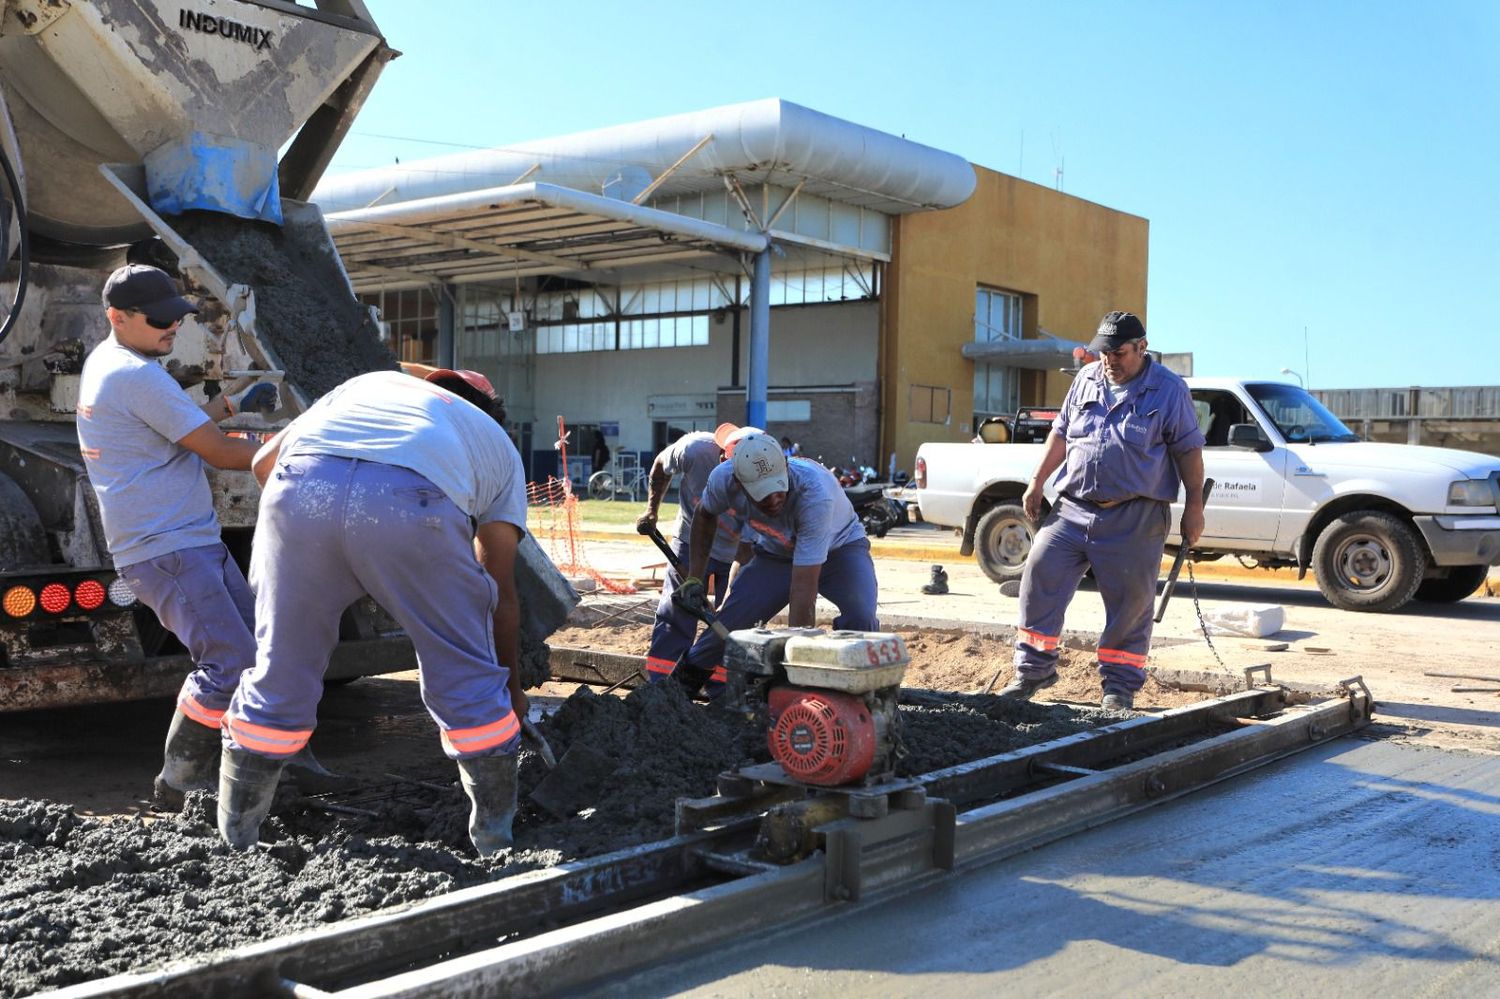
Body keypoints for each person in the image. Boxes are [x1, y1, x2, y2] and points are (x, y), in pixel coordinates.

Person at [217, 367, 529, 857]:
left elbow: (262, 462)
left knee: (280, 667)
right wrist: (510, 690)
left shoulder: (366, 384)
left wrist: (319, 548)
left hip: (300, 489)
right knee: (463, 672)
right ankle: (495, 842)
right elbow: (499, 590)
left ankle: (237, 839)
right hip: (412, 503)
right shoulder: (492, 441)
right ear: (488, 410)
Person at [76, 263, 281, 809]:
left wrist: (231, 406)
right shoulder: (133, 375)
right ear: (116, 317)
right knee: (230, 662)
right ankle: (179, 781)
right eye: (160, 320)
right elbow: (217, 451)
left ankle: (265, 768)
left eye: (176, 318)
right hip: (168, 547)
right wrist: (305, 444)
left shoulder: (112, 362)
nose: (172, 329)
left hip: (184, 540)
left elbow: (175, 427)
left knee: (257, 656)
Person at [995, 311, 1206, 711]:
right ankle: (1033, 669)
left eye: (1119, 353)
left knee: (1130, 603)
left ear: (1142, 348)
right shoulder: (1086, 380)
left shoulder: (1168, 389)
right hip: (1073, 508)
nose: (1110, 360)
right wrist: (1037, 482)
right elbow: (1060, 433)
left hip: (1136, 515)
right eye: (1104, 352)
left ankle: (1119, 687)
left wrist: (1194, 505)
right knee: (1040, 572)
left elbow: (1188, 449)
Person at [672, 432, 878, 695]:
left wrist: (796, 673)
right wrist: (695, 578)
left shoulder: (814, 493)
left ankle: (858, 698)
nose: (773, 500)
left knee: (861, 619)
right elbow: (705, 515)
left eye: (778, 488)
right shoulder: (723, 478)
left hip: (841, 549)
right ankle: (674, 694)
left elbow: (803, 592)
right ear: (739, 483)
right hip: (776, 555)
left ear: (786, 468)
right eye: (762, 494)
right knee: (727, 628)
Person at [634, 422, 752, 685]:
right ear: (722, 455)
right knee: (676, 612)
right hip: (689, 540)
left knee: (731, 621)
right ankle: (662, 684)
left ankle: (721, 689)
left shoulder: (762, 482)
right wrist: (652, 510)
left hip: (734, 553)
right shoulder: (696, 450)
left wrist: (729, 600)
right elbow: (660, 466)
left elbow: (747, 551)